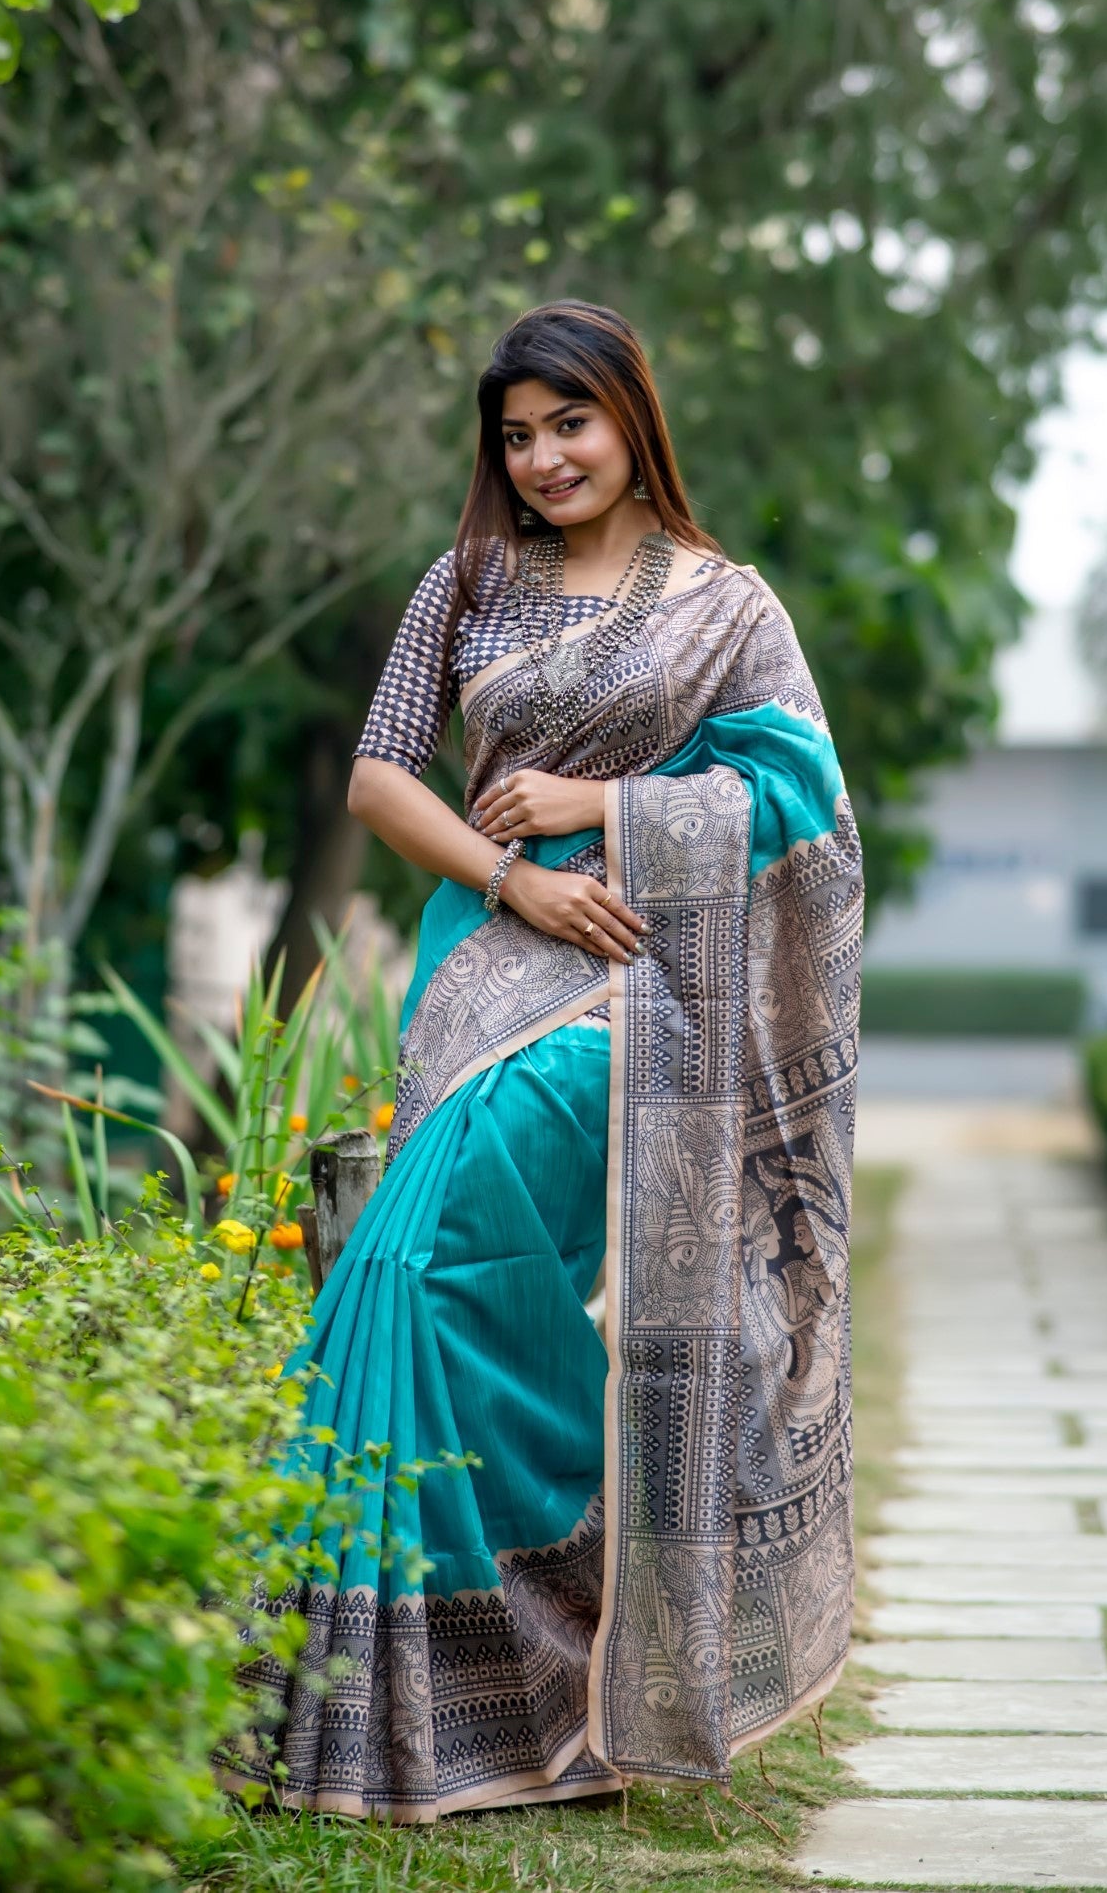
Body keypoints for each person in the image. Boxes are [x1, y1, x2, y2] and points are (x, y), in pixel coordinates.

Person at [231, 301, 863, 1823]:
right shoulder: (470, 583)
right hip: (482, 965)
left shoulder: (730, 606)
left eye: (567, 424)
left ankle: (565, 1632)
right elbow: (386, 777)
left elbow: (805, 806)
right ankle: (487, 1685)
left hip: (641, 984)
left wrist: (602, 802)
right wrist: (516, 877)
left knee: (441, 1251)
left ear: (631, 417)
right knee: (406, 1274)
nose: (542, 458)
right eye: (515, 437)